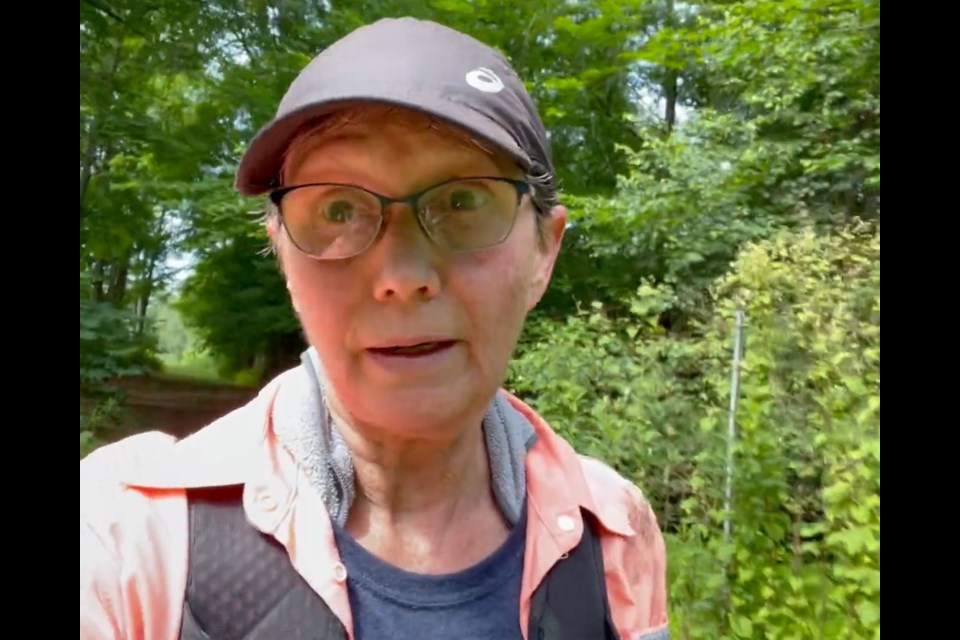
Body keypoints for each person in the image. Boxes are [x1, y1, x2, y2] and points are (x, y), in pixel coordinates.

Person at [80, 16, 669, 640]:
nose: (402, 275)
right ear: (281, 252)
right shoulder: (126, 541)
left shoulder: (614, 532)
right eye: (338, 208)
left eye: (463, 201)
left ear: (543, 254)